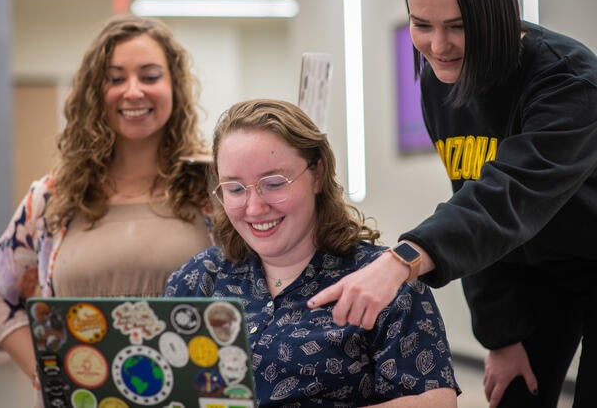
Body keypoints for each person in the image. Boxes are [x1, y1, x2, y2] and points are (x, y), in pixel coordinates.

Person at [308, 0, 597, 407]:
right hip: (535, 268)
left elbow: (505, 197)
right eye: (422, 25)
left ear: (495, 15)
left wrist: (401, 260)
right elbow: (468, 193)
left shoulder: (568, 79)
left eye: (458, 27)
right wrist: (499, 336)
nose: (438, 46)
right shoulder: (439, 81)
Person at [164, 99, 460, 407]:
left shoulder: (382, 279)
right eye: (236, 189)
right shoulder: (200, 279)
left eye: (274, 183)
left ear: (317, 174)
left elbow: (436, 401)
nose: (254, 208)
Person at [0, 14, 215, 399]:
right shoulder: (51, 198)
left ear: (175, 87)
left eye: (149, 76)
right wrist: (44, 372)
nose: (133, 92)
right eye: (114, 79)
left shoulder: (214, 190)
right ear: (94, 92)